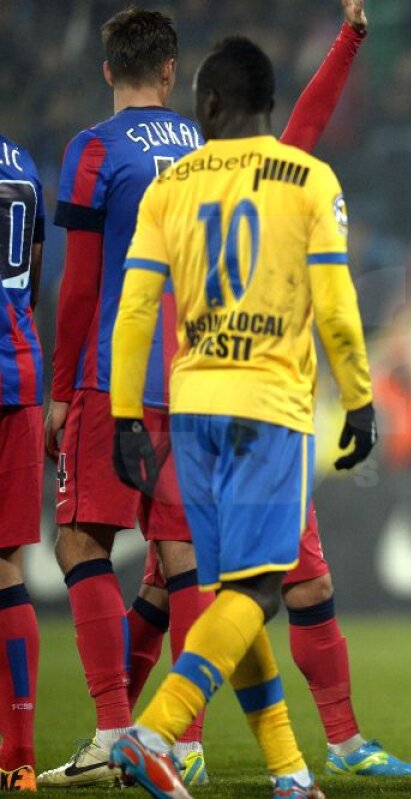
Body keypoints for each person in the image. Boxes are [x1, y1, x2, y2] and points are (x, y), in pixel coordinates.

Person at [116, 1, 411, 780]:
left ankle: (292, 771)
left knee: (238, 593)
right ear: (268, 107)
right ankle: (155, 730)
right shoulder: (304, 179)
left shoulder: (172, 185)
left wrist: (123, 413)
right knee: (258, 590)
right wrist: (360, 396)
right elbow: (337, 305)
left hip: (188, 412)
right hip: (269, 409)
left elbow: (135, 310)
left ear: (208, 104)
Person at [41, 9, 207, 787]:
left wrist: (61, 389)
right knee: (181, 555)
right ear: (171, 71)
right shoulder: (207, 150)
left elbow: (78, 287)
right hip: (198, 375)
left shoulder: (94, 149)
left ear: (108, 70)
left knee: (80, 542)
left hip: (117, 375)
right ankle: (187, 740)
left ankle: (114, 731)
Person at [0, 132, 45, 792]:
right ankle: (20, 758)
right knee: (6, 567)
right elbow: (35, 275)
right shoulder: (22, 162)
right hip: (19, 367)